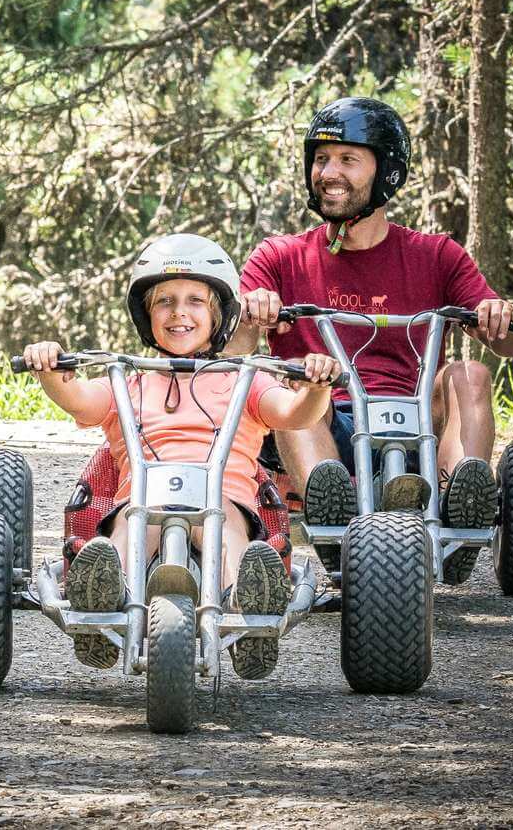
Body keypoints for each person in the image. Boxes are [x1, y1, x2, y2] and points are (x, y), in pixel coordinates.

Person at [230, 96, 513, 584]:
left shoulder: (436, 255)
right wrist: (254, 310)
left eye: (348, 160)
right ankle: (333, 517)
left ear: (386, 170)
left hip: (418, 424)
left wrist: (500, 317)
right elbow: (234, 351)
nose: (329, 172)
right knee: (285, 379)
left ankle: (460, 503)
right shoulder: (279, 256)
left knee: (469, 372)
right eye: (321, 159)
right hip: (324, 422)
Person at [19, 233, 341, 680]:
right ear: (144, 314)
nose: (179, 313)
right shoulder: (128, 381)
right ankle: (103, 599)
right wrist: (51, 369)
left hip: (224, 501)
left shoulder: (244, 379)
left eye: (195, 301)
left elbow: (293, 414)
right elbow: (81, 401)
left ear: (220, 313)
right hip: (142, 503)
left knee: (225, 522)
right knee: (134, 525)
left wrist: (316, 387)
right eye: (164, 302)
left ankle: (247, 610)